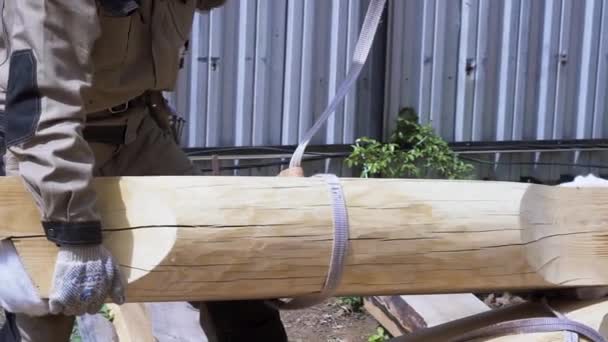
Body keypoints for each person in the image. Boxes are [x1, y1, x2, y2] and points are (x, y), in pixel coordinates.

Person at [0, 0, 287, 341]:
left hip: (138, 131)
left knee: (228, 262)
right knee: (44, 307)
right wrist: (76, 237)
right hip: (46, 145)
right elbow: (43, 113)